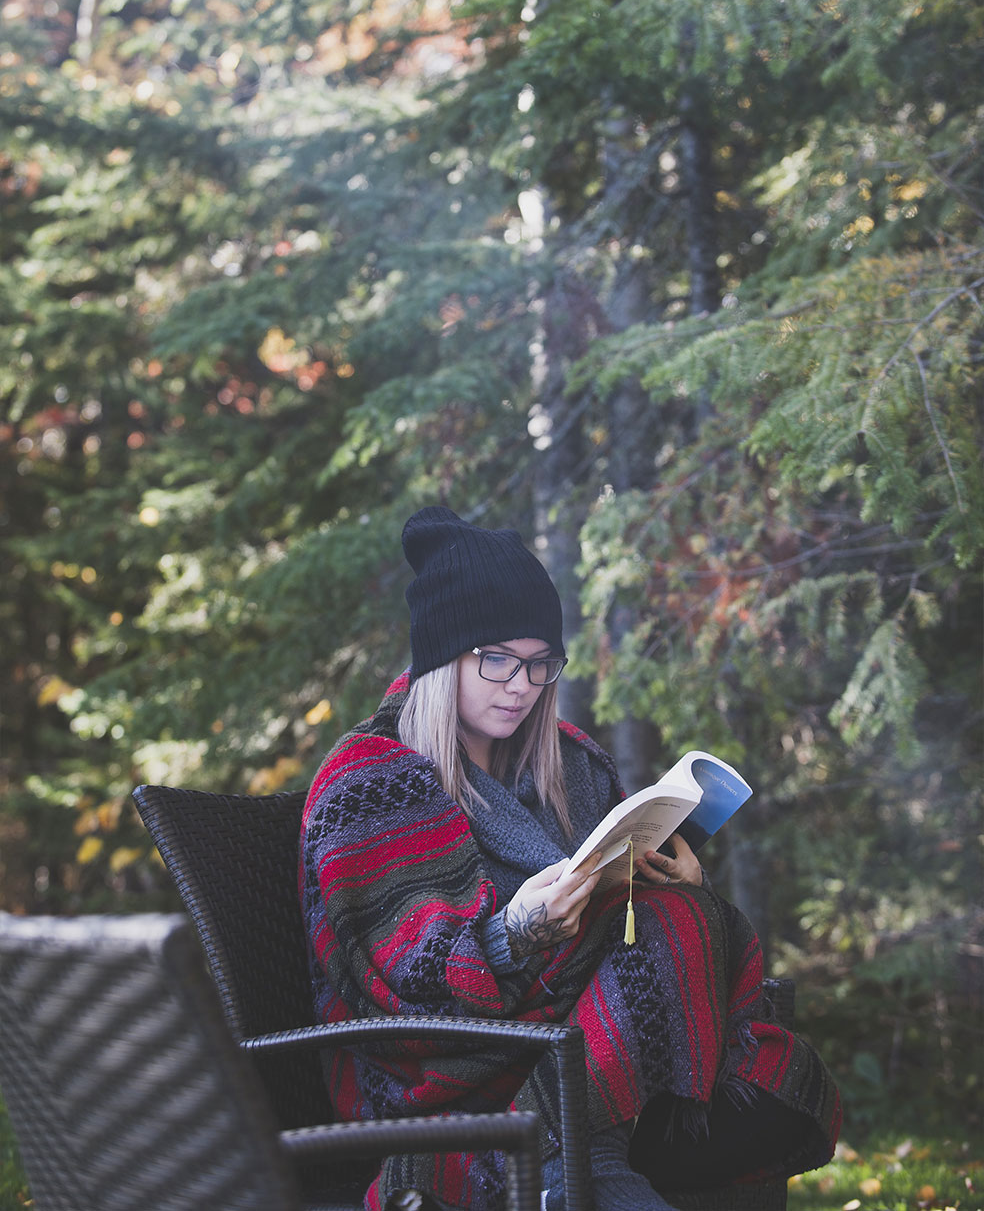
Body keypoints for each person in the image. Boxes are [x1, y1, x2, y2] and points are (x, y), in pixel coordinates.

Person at [300, 506, 841, 1211]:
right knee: (661, 929)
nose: (521, 684)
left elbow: (627, 905)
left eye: (539, 663)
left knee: (676, 915)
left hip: (581, 1045)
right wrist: (518, 930)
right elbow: (402, 981)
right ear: (442, 655)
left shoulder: (571, 764)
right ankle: (579, 1165)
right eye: (495, 658)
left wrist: (680, 878)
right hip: (445, 1057)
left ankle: (580, 1155)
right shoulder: (371, 781)